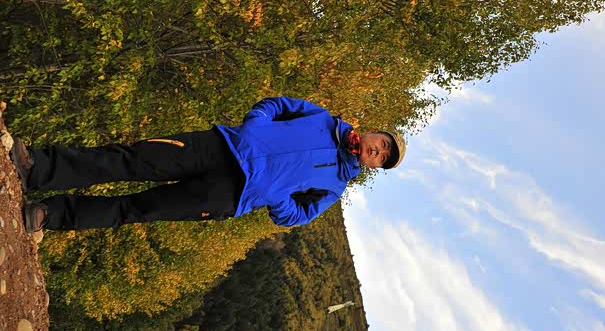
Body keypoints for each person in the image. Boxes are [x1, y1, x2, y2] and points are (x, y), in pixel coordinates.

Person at [10, 96, 406, 232]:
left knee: (138, 209)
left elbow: (296, 217)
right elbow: (278, 104)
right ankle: (38, 168)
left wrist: (275, 194)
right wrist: (255, 124)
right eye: (383, 145)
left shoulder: (335, 186)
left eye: (384, 159)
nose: (379, 152)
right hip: (220, 146)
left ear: (375, 166)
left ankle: (49, 215)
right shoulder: (324, 120)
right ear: (375, 133)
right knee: (131, 159)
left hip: (230, 196)